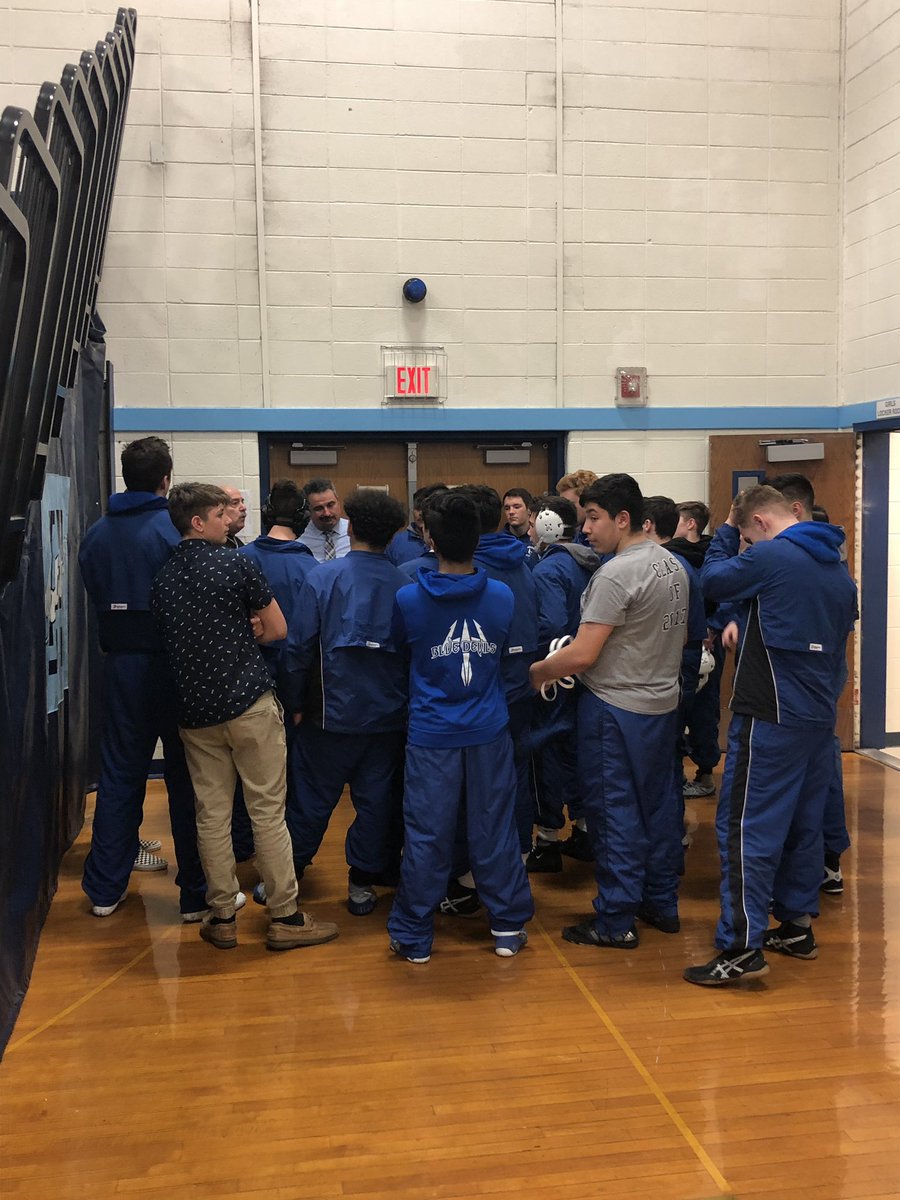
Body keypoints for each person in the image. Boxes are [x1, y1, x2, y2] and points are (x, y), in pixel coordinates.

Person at [151, 482, 339, 952]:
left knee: (212, 815)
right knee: (268, 813)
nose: (228, 520)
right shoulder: (237, 563)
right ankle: (285, 917)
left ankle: (221, 917)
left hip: (195, 714)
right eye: (220, 514)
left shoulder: (163, 577)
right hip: (249, 704)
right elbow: (277, 629)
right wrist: (243, 632)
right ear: (198, 522)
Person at [683, 485, 857, 986]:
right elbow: (789, 613)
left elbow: (713, 580)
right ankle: (796, 926)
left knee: (745, 830)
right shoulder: (834, 566)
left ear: (758, 523)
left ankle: (740, 946)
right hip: (817, 720)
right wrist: (746, 621)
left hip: (768, 718)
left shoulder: (776, 552)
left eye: (745, 536)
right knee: (803, 825)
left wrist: (722, 533)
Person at [529, 473, 688, 949]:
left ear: (624, 519)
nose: (586, 530)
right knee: (658, 808)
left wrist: (535, 673)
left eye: (594, 519)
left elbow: (581, 655)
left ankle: (616, 919)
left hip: (615, 709)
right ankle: (661, 903)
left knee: (615, 813)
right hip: (661, 705)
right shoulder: (671, 564)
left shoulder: (616, 573)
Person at [387, 490, 533, 962]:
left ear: (428, 536)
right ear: (481, 536)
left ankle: (414, 938)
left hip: (432, 735)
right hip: (488, 729)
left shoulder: (408, 599)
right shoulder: (503, 596)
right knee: (493, 829)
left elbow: (399, 658)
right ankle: (507, 928)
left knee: (427, 834)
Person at [78, 437, 206, 920]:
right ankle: (195, 893)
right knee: (186, 777)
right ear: (166, 479)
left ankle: (105, 890)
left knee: (119, 774)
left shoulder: (95, 535)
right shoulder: (174, 533)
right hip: (172, 668)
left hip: (120, 667)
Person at [282, 489, 408, 916]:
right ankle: (361, 884)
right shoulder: (407, 585)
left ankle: (287, 878)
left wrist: (295, 702)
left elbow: (298, 648)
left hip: (327, 717)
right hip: (387, 719)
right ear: (393, 536)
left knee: (310, 800)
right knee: (375, 804)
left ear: (350, 525)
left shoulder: (322, 577)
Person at [766, 474, 852, 898]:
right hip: (821, 674)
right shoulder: (830, 554)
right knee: (818, 775)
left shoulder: (800, 554)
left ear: (793, 509)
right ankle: (826, 862)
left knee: (815, 778)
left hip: (808, 681)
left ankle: (827, 860)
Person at [234, 480, 315, 865]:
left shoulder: (240, 559)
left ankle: (241, 842)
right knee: (289, 771)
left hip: (243, 680)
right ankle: (283, 851)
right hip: (291, 681)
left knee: (240, 770)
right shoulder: (312, 569)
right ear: (303, 518)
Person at [525, 496, 600, 872]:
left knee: (547, 753)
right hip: (587, 673)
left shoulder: (549, 570)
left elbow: (551, 625)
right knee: (579, 751)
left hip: (555, 676)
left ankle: (548, 839)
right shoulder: (593, 562)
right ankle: (585, 830)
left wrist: (539, 667)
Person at [386, 482, 447, 566]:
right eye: (417, 508)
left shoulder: (451, 540)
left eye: (425, 509)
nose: (420, 514)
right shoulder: (396, 541)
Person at [298, 478, 351, 561]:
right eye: (318, 508)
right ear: (308, 511)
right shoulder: (299, 538)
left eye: (330, 505)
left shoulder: (355, 532)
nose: (327, 513)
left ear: (338, 502)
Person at [555, 469, 598, 546]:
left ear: (587, 501)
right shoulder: (575, 533)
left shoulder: (602, 536)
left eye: (570, 504)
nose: (564, 511)